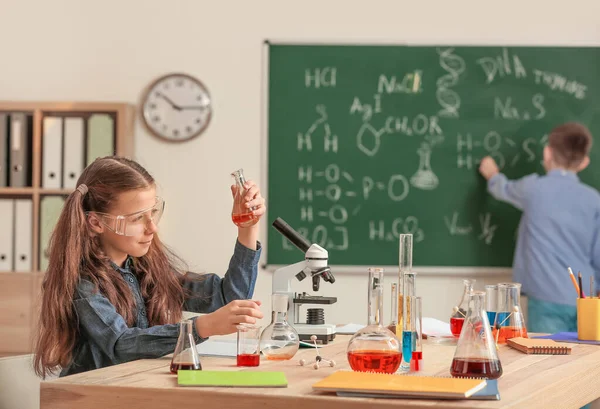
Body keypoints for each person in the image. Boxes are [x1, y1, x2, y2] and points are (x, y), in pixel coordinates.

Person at [33, 156, 265, 378]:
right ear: (96, 222)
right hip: (91, 397)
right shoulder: (83, 283)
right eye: (137, 218)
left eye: (153, 212)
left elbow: (230, 297)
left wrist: (247, 228)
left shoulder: (145, 268)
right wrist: (201, 328)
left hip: (134, 389)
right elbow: (120, 344)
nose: (152, 227)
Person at [479, 122, 600, 334]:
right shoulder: (594, 199)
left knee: (550, 361)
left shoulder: (533, 189)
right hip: (587, 299)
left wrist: (492, 173)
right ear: (584, 162)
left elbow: (503, 188)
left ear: (547, 153)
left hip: (546, 298)